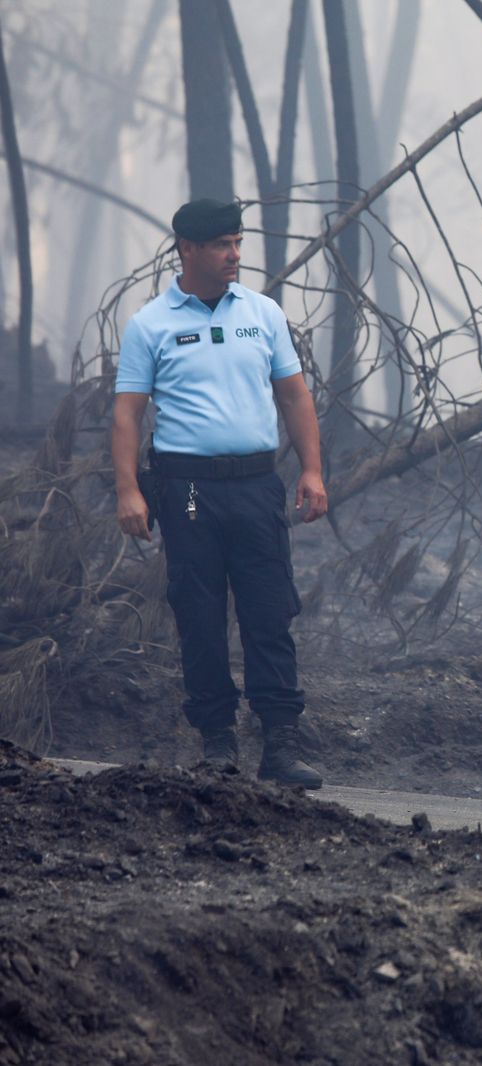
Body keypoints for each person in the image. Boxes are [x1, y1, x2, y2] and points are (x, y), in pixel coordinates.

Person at [111, 198, 326, 788]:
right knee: (199, 613)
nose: (235, 254)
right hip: (186, 492)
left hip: (257, 486)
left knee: (269, 610)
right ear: (188, 249)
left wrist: (312, 471)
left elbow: (294, 396)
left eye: (238, 242)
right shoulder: (150, 324)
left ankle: (280, 745)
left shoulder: (263, 314)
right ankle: (218, 745)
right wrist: (128, 488)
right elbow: (128, 413)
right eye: (222, 245)